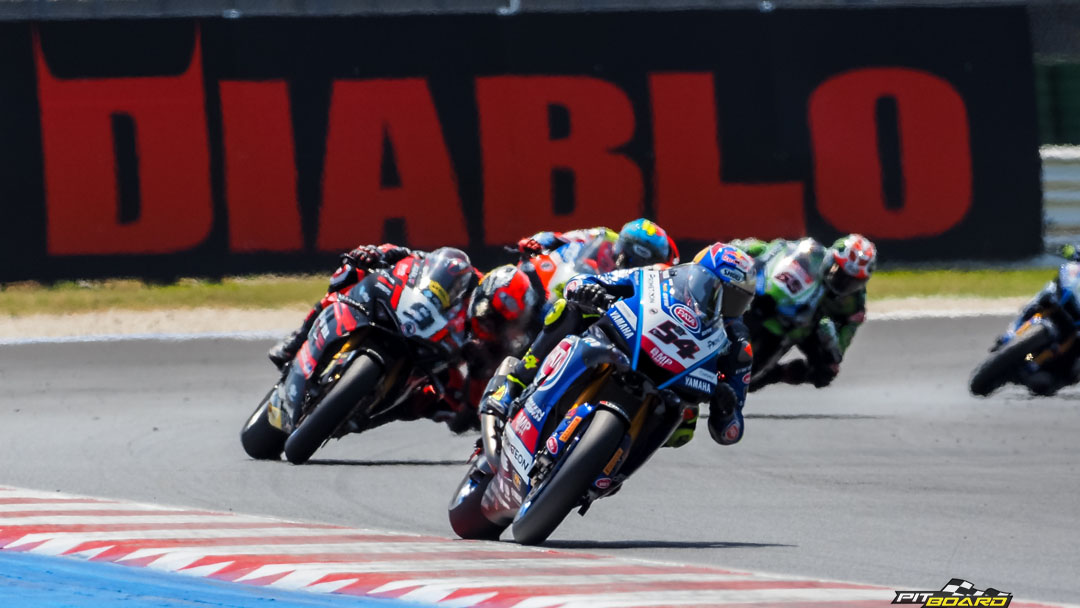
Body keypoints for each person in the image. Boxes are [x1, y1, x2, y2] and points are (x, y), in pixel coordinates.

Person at [480, 241, 756, 449]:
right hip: (629, 346)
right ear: (695, 276)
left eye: (734, 300)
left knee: (684, 427)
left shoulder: (738, 345)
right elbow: (600, 281)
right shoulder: (660, 277)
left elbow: (731, 432)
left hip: (671, 388)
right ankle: (514, 384)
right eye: (713, 290)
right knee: (568, 309)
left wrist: (726, 408)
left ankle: (609, 466)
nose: (721, 305)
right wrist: (590, 290)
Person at [733, 234, 876, 390]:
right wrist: (742, 249)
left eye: (852, 281)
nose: (843, 283)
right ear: (830, 259)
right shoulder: (813, 256)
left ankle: (778, 373)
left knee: (826, 372)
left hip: (809, 326)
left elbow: (842, 345)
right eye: (839, 273)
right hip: (781, 301)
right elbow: (778, 249)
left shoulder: (854, 305)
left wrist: (830, 342)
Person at [516, 218, 680, 302]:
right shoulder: (604, 235)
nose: (621, 257)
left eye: (633, 259)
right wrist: (536, 243)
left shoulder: (649, 284)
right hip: (555, 288)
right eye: (623, 248)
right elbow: (558, 237)